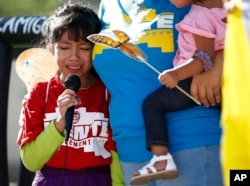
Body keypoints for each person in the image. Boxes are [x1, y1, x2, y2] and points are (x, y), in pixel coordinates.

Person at [92, 0, 223, 186]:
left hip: (192, 144)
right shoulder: (108, 4)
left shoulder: (186, 2)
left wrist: (221, 60)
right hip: (130, 154)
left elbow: (240, 29)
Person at [16, 2, 118, 186]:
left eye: (85, 48)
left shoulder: (109, 92)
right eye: (64, 47)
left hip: (98, 179)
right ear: (50, 47)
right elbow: (31, 161)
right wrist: (59, 123)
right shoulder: (39, 94)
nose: (74, 56)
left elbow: (116, 153)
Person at [129, 0, 226, 184]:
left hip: (195, 81)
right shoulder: (226, 11)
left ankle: (161, 160)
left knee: (152, 104)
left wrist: (176, 74)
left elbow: (204, 58)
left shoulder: (199, 15)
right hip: (225, 86)